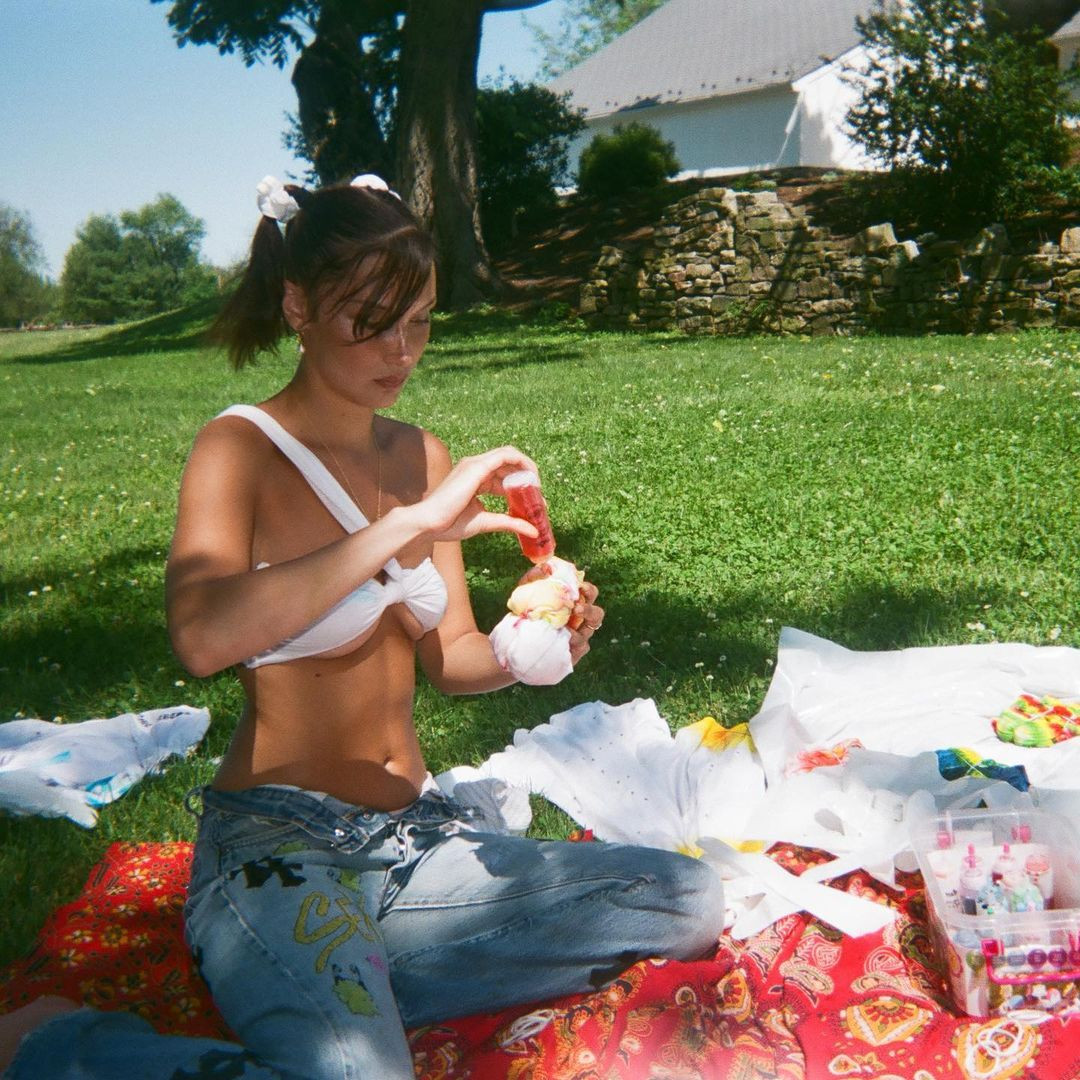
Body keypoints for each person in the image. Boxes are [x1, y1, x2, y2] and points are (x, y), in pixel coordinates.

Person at [1, 175, 724, 1079]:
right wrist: (404, 527)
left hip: (416, 843)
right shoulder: (241, 448)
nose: (401, 350)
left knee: (681, 897)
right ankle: (62, 1045)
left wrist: (527, 648)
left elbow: (450, 657)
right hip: (279, 851)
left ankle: (346, 987)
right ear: (298, 306)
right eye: (372, 322)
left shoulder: (420, 454)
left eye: (419, 321)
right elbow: (201, 636)